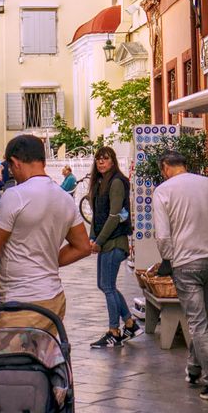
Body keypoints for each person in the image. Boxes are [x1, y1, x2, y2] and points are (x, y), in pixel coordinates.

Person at [0, 133, 93, 329]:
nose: (12, 174)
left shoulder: (15, 196)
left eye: (11, 168)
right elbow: (83, 246)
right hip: (54, 298)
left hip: (23, 302)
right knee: (41, 357)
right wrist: (45, 260)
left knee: (4, 358)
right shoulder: (64, 198)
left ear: (15, 162)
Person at [153, 149, 208, 402]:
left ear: (165, 167)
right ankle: (194, 368)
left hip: (186, 262)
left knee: (197, 323)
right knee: (203, 318)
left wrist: (171, 259)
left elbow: (163, 236)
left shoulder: (163, 191)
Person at [86, 145, 140, 349]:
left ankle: (113, 332)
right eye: (98, 158)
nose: (101, 162)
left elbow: (114, 215)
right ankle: (129, 323)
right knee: (104, 285)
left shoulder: (117, 182)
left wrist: (99, 241)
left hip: (115, 242)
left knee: (107, 287)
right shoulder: (101, 183)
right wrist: (93, 237)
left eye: (105, 158)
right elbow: (97, 215)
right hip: (105, 242)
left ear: (113, 161)